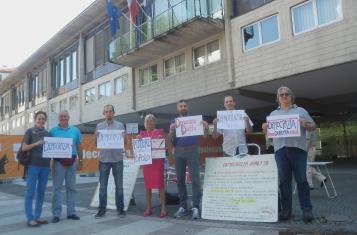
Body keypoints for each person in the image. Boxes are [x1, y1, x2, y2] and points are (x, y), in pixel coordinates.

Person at [262, 86, 316, 222]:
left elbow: (313, 126)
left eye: (287, 94)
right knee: (284, 182)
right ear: (278, 98)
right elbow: (269, 135)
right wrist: (264, 129)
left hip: (298, 150)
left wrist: (306, 124)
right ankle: (286, 210)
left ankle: (307, 210)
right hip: (280, 151)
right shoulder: (273, 114)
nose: (284, 96)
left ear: (291, 96)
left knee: (302, 181)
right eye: (281, 95)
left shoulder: (301, 111)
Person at [168, 99, 209, 219]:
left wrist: (206, 128)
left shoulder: (195, 120)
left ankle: (196, 206)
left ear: (188, 107)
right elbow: (170, 140)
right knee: (180, 181)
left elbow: (205, 136)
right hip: (179, 151)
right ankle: (183, 206)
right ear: (178, 108)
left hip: (192, 150)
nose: (183, 107)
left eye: (185, 105)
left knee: (195, 180)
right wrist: (171, 130)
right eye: (181, 106)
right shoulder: (174, 121)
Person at [50, 110, 83, 223]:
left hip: (72, 162)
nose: (63, 118)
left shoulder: (75, 130)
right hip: (57, 163)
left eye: (65, 116)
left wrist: (81, 160)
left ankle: (71, 212)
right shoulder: (53, 131)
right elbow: (48, 148)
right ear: (59, 118)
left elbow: (79, 145)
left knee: (72, 188)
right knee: (56, 188)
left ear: (68, 118)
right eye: (61, 116)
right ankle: (56, 214)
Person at [94, 104, 126, 218]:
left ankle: (120, 209)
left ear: (114, 113)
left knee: (119, 186)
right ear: (104, 113)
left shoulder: (120, 125)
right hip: (104, 160)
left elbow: (125, 142)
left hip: (117, 159)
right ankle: (102, 210)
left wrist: (123, 137)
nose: (108, 113)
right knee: (103, 186)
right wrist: (97, 136)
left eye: (110, 111)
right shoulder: (99, 126)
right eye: (106, 111)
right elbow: (96, 143)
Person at [22, 111, 51, 227]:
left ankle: (37, 217)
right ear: (35, 119)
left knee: (41, 192)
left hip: (45, 166)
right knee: (30, 192)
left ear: (45, 120)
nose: (41, 120)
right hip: (32, 166)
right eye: (39, 118)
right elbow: (24, 148)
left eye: (43, 119)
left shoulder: (48, 134)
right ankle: (30, 218)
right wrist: (36, 143)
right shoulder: (29, 132)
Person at [137, 114, 167, 218]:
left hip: (157, 163)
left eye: (151, 121)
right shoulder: (142, 134)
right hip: (147, 164)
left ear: (154, 122)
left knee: (160, 186)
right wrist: (138, 140)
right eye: (147, 121)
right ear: (145, 123)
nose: (149, 122)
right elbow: (138, 149)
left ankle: (163, 208)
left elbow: (166, 144)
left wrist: (161, 138)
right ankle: (149, 207)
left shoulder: (160, 132)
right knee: (148, 186)